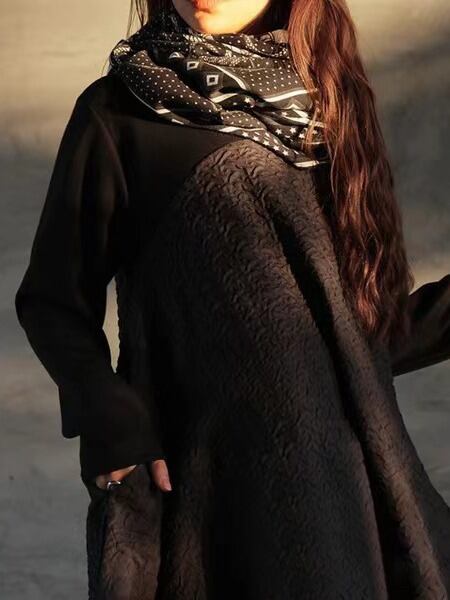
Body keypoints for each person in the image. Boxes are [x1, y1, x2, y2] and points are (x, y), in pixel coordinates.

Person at [14, 0, 450, 598]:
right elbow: (52, 300)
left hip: (340, 494)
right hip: (207, 491)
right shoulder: (118, 111)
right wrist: (114, 423)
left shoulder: (328, 106)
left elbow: (358, 338)